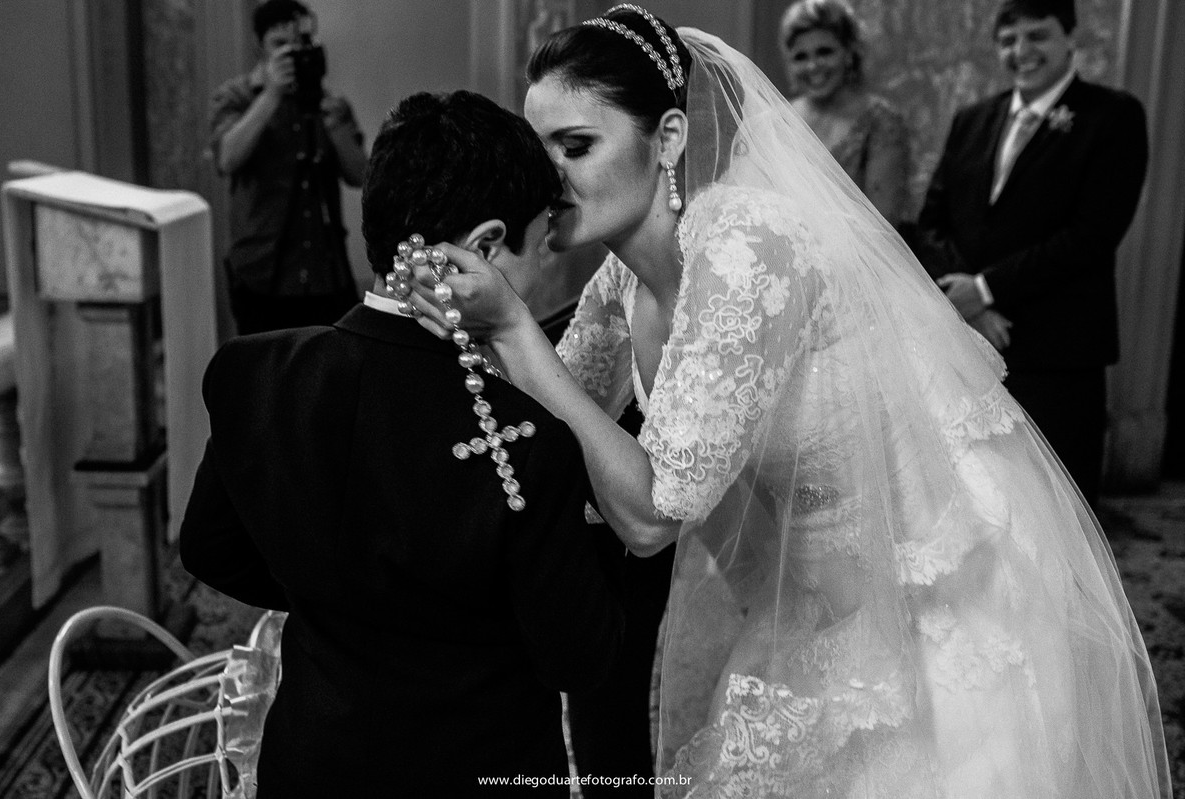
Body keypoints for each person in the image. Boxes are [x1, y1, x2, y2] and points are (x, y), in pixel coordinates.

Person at [401, 5, 1169, 797]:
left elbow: (653, 514)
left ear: (668, 137)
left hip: (938, 608)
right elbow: (536, 430)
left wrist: (517, 330)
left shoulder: (746, 241)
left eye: (578, 145)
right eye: (542, 152)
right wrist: (443, 327)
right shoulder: (624, 277)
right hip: (805, 613)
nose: (550, 179)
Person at [180, 90, 624, 798]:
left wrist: (344, 600)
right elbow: (577, 657)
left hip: (312, 763)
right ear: (482, 248)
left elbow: (209, 547)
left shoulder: (252, 374)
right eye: (540, 243)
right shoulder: (530, 438)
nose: (546, 271)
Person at [914, 0, 1148, 508]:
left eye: (1037, 36)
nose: (1021, 52)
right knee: (972, 507)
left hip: (1057, 355)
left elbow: (1092, 234)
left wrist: (986, 288)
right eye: (1008, 40)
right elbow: (933, 222)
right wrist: (967, 302)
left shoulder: (1113, 117)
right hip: (965, 346)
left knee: (1055, 509)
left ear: (1070, 38)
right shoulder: (972, 120)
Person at [209, 0, 368, 335]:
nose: (292, 55)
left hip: (326, 272)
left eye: (298, 45)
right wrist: (270, 95)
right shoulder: (236, 97)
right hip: (262, 274)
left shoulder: (330, 104)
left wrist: (335, 126)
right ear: (259, 46)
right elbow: (227, 159)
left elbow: (360, 176)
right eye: (279, 45)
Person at [779, 0, 911, 228]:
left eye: (825, 52)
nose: (813, 66)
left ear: (849, 53)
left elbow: (883, 226)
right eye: (801, 57)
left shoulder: (881, 121)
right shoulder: (780, 118)